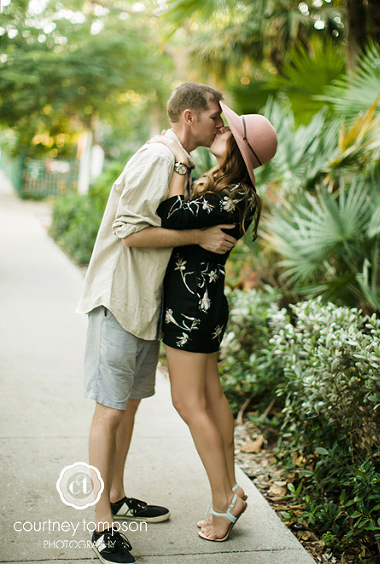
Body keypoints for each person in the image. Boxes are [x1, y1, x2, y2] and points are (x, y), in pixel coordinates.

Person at [76, 82, 235, 564]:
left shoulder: (178, 163)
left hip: (145, 304)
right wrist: (201, 235)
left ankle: (119, 497)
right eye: (213, 117)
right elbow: (130, 232)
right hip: (120, 299)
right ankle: (102, 524)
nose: (219, 125)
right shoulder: (158, 159)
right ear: (189, 117)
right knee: (110, 410)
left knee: (127, 404)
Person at [148, 102, 277, 542]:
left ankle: (224, 500)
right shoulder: (231, 188)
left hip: (192, 305)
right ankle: (232, 487)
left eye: (230, 129)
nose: (222, 127)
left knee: (186, 402)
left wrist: (181, 163)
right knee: (209, 397)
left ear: (239, 148)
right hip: (204, 303)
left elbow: (171, 214)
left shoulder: (235, 192)